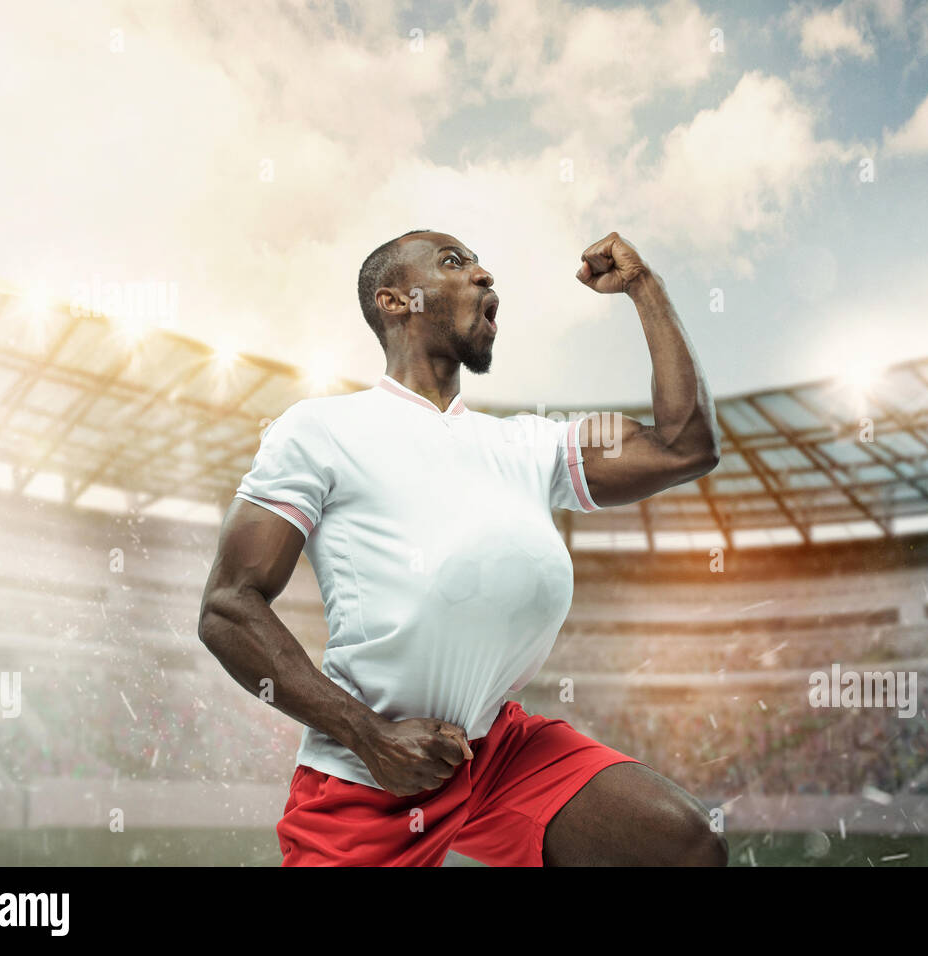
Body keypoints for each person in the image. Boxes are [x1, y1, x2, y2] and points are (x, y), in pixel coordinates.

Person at [198, 230, 724, 866]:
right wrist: (369, 736)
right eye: (455, 262)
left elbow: (686, 444)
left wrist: (646, 287)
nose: (484, 275)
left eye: (480, 263)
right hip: (375, 769)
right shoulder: (322, 430)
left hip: (500, 752)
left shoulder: (529, 445)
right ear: (395, 301)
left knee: (684, 846)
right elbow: (228, 606)